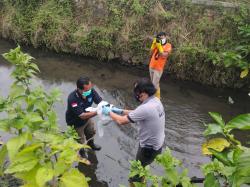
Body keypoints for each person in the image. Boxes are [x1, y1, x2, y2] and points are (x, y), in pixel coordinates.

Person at [102, 78, 165, 183]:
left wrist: (108, 112)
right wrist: (120, 111)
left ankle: (136, 183)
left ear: (145, 93)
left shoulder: (146, 108)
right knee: (143, 168)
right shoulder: (156, 101)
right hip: (157, 145)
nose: (137, 96)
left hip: (148, 148)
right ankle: (142, 179)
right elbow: (138, 113)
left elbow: (121, 121)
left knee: (136, 174)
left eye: (138, 93)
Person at [66, 77, 102, 156]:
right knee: (80, 141)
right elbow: (82, 116)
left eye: (90, 88)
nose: (90, 91)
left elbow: (100, 102)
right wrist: (98, 111)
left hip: (87, 118)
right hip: (76, 123)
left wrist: (106, 107)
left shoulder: (90, 91)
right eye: (87, 90)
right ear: (79, 89)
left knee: (91, 132)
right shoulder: (72, 99)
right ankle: (82, 154)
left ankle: (91, 144)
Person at [149, 32, 172, 99]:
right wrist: (153, 46)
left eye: (162, 36)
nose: (161, 38)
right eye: (159, 37)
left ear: (165, 36)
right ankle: (157, 97)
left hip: (158, 68)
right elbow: (150, 54)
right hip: (152, 65)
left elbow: (164, 55)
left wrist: (160, 47)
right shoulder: (157, 43)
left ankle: (154, 97)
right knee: (153, 83)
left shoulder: (168, 45)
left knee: (154, 84)